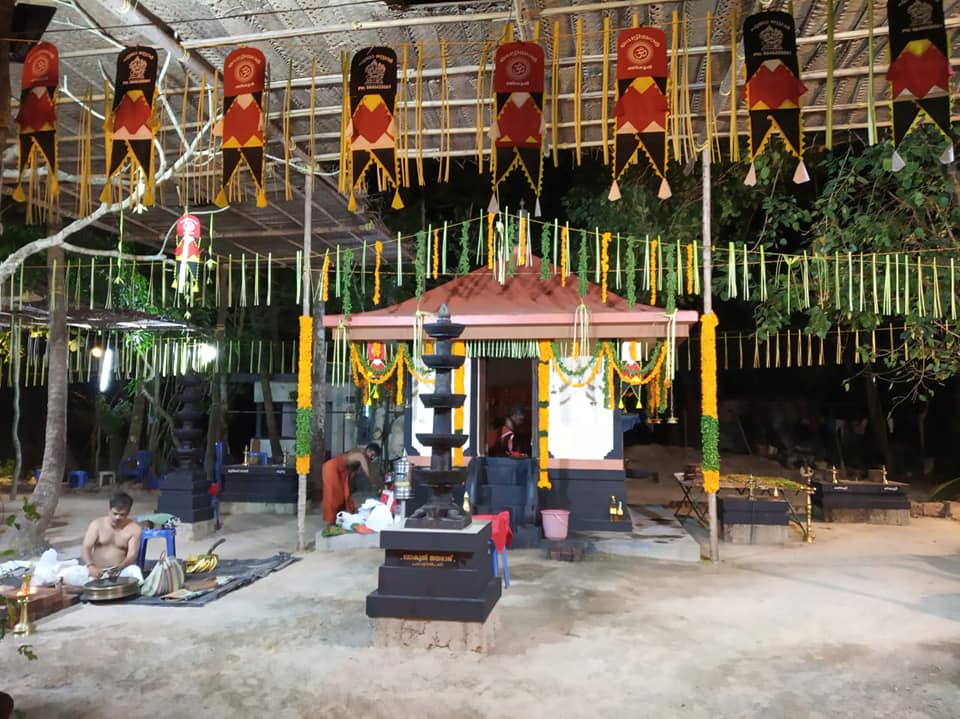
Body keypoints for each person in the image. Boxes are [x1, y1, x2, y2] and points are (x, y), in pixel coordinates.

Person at [81, 491, 143, 579]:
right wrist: (91, 566)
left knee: (135, 570)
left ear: (128, 513)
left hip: (120, 570)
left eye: (122, 515)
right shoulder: (97, 524)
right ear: (109, 510)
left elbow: (132, 555)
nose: (117, 518)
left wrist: (119, 568)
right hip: (95, 570)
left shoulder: (135, 529)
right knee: (67, 574)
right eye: (115, 513)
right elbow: (86, 547)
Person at [321, 443, 380, 524]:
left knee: (344, 493)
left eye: (374, 456)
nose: (372, 458)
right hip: (331, 467)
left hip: (342, 472)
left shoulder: (362, 456)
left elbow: (352, 473)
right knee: (333, 494)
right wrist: (376, 485)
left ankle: (342, 516)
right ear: (368, 450)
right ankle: (331, 520)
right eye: (372, 455)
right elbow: (368, 472)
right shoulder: (360, 455)